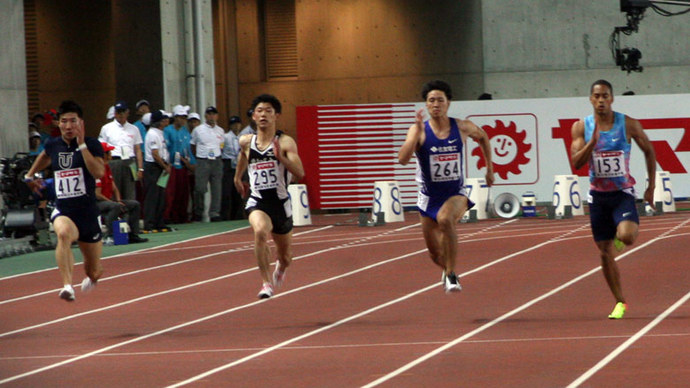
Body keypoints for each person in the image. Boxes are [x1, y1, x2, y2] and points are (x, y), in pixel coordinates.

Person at [570, 79, 656, 319]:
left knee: (627, 236)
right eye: (596, 96)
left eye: (605, 96)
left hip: (622, 194)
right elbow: (576, 163)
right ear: (590, 99)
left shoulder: (627, 124)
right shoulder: (581, 127)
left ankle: (620, 236)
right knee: (604, 253)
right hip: (598, 197)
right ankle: (620, 301)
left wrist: (652, 185)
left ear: (612, 99)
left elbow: (649, 150)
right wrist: (592, 144)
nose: (600, 100)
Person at [398, 80, 494, 293]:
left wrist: (489, 168)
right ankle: (446, 268)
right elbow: (402, 159)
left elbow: (483, 137)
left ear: (448, 103)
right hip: (428, 198)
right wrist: (413, 136)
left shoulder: (461, 127)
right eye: (431, 101)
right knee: (435, 254)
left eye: (440, 100)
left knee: (445, 219)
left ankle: (451, 274)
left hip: (455, 194)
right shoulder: (418, 131)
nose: (435, 105)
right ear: (425, 104)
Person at [23, 100, 105, 301]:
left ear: (81, 123)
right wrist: (29, 177)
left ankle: (92, 277)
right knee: (63, 234)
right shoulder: (53, 144)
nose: (69, 126)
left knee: (93, 271)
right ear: (58, 124)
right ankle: (67, 286)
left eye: (73, 121)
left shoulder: (93, 144)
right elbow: (43, 157)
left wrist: (82, 144)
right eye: (64, 122)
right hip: (64, 209)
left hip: (87, 213)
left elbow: (98, 171)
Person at [234, 94, 305, 299]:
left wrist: (280, 157)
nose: (263, 114)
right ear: (254, 116)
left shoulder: (284, 142)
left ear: (276, 116)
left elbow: (300, 172)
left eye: (268, 111)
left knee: (285, 257)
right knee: (260, 233)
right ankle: (266, 283)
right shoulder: (246, 141)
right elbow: (242, 156)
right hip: (258, 201)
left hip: (281, 204)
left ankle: (281, 268)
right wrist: (238, 178)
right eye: (259, 111)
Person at [95, 142, 148, 244]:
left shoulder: (107, 168)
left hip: (109, 201)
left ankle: (133, 235)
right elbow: (97, 194)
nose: (111, 155)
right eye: (109, 153)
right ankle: (109, 236)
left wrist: (119, 200)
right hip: (97, 203)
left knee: (134, 204)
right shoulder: (96, 169)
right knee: (114, 206)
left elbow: (114, 187)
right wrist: (113, 202)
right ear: (103, 154)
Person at [98, 101, 144, 201]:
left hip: (130, 161)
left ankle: (129, 215)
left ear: (128, 112)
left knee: (130, 191)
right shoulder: (106, 128)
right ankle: (116, 214)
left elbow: (138, 149)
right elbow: (102, 148)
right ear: (115, 113)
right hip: (114, 161)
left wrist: (140, 168)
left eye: (123, 112)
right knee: (114, 190)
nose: (121, 114)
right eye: (118, 112)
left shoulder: (134, 129)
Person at [191, 106, 224, 222]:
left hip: (216, 159)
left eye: (214, 114)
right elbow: (193, 145)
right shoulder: (198, 130)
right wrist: (199, 157)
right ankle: (199, 212)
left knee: (217, 188)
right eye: (209, 114)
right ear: (205, 116)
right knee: (200, 188)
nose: (212, 116)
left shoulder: (220, 130)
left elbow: (221, 145)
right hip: (203, 160)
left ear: (217, 116)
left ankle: (214, 212)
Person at [164, 105, 195, 224]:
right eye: (181, 117)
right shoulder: (168, 130)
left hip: (182, 166)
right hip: (171, 165)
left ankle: (181, 216)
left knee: (183, 192)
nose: (183, 120)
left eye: (184, 118)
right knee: (170, 193)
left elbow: (188, 149)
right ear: (175, 117)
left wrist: (191, 163)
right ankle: (168, 216)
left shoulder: (185, 132)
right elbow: (166, 147)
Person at [143, 110, 172, 232]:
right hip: (153, 167)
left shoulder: (160, 133)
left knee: (161, 196)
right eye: (163, 119)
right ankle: (149, 224)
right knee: (152, 196)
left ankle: (159, 222)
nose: (166, 121)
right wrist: (165, 166)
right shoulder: (152, 134)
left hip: (161, 166)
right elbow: (155, 154)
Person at [221, 115, 243, 220]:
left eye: (238, 124)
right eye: (234, 124)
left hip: (239, 163)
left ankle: (237, 215)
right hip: (228, 162)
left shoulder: (242, 137)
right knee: (227, 190)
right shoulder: (225, 137)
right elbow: (220, 149)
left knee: (238, 190)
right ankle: (225, 215)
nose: (236, 126)